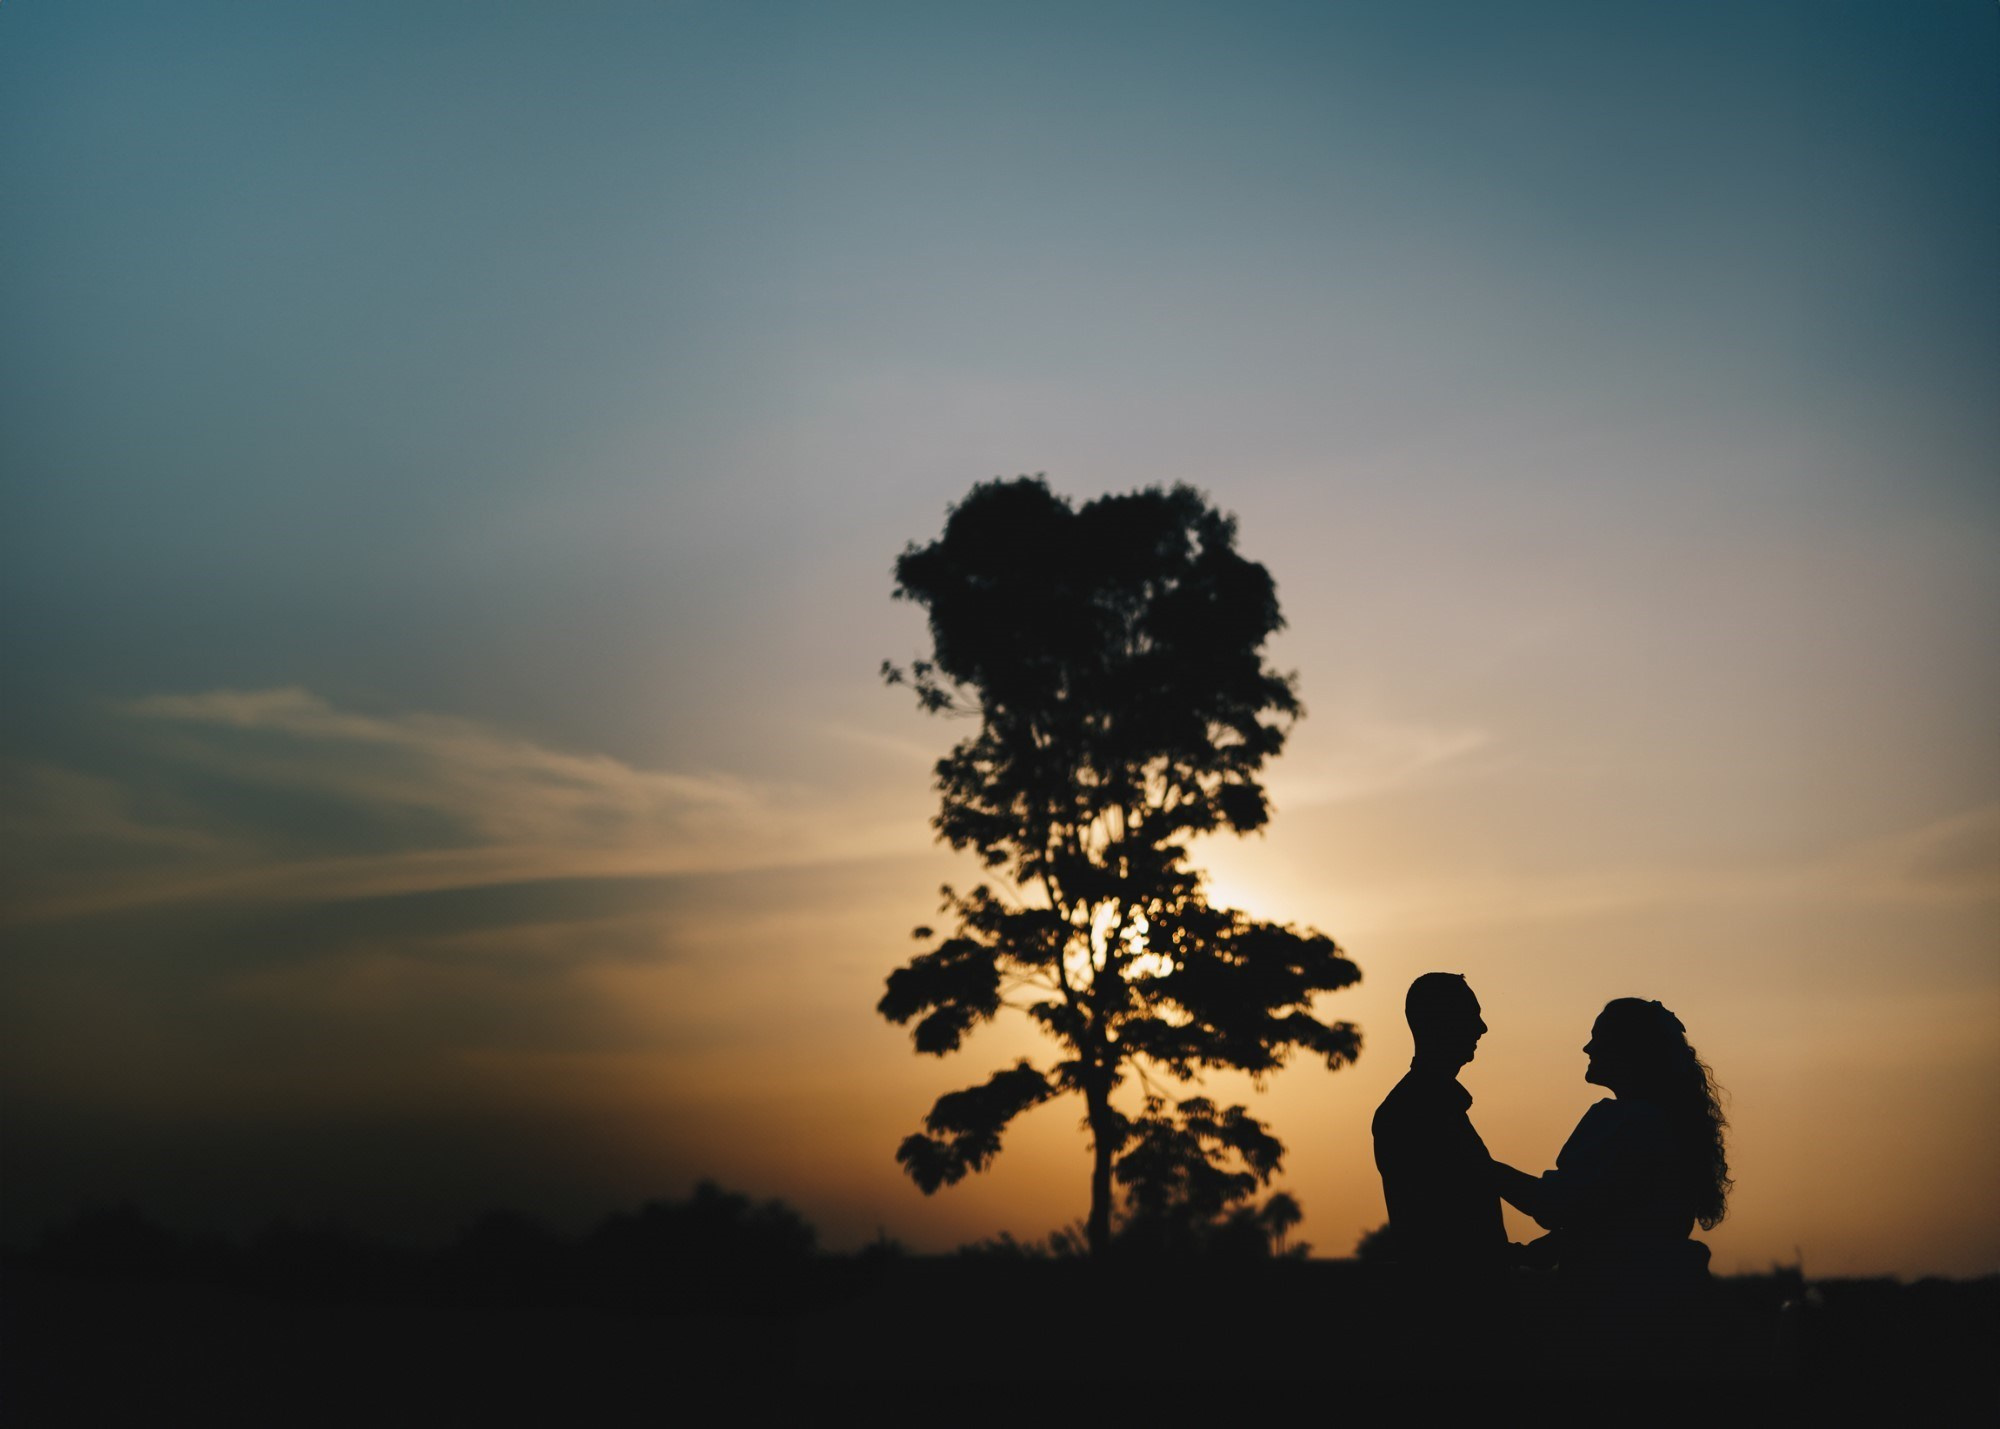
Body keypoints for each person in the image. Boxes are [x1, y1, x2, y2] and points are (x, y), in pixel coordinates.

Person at [1493, 998, 1731, 1366]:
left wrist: (1481, 1167)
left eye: (1599, 1038)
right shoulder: (1663, 1123)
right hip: (1662, 1311)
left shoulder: (1633, 1122)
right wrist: (1550, 1247)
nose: (1588, 1048)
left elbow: (1556, 1204)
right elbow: (1615, 1213)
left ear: (1631, 1052)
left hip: (1623, 1320)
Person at [1371, 973, 1511, 1284]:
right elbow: (1438, 1230)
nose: (1482, 1028)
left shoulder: (1426, 1105)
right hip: (1452, 1307)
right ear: (1439, 1023)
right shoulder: (1416, 1110)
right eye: (1471, 1016)